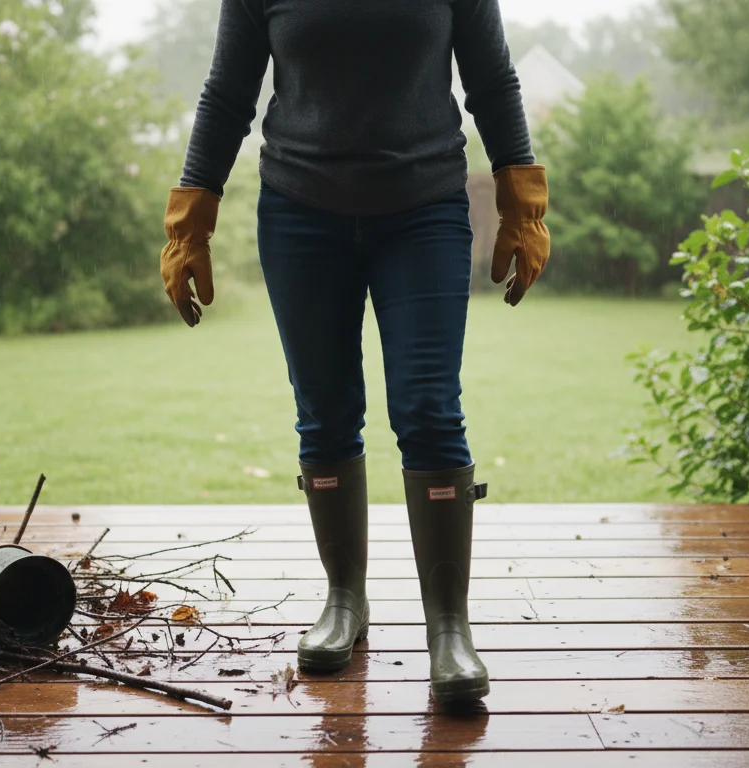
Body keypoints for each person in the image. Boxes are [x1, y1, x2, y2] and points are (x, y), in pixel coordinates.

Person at [158, 0, 549, 703]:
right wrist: (193, 213)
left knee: (429, 409)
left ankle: (449, 628)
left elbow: (492, 79)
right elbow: (228, 91)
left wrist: (522, 194)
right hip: (300, 213)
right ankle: (345, 601)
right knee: (325, 414)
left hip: (424, 211)